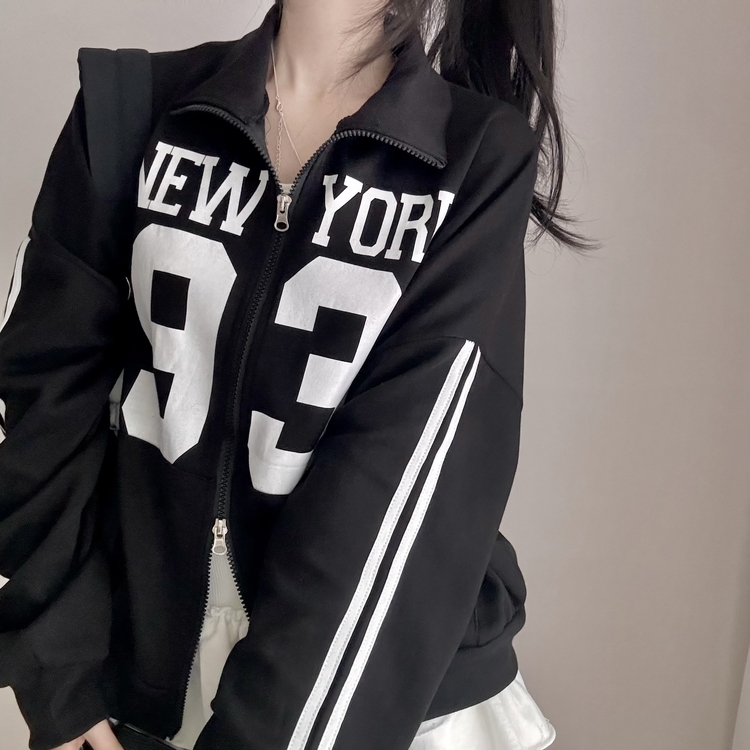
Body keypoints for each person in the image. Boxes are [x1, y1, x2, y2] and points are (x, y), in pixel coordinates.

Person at [0, 1, 597, 750]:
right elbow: (40, 401)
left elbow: (403, 486)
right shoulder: (126, 107)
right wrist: (61, 673)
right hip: (145, 691)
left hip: (375, 702)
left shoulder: (474, 156)